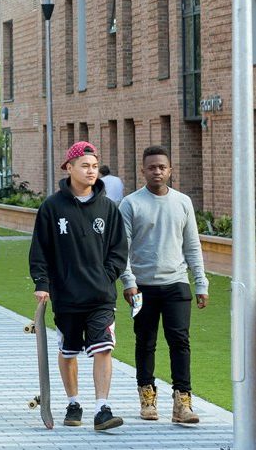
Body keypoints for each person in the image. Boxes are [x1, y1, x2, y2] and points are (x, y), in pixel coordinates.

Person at [29, 141, 128, 431]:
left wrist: (105, 276)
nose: (91, 171)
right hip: (66, 296)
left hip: (100, 296)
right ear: (69, 168)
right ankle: (73, 402)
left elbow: (119, 251)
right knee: (69, 351)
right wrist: (43, 283)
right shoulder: (51, 207)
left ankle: (102, 409)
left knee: (103, 348)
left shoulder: (109, 209)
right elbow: (40, 251)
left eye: (95, 166)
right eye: (85, 165)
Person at [119, 145, 208, 424]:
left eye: (162, 167)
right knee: (145, 342)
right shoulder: (131, 204)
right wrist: (129, 282)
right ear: (142, 170)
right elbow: (123, 248)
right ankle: (147, 399)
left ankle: (183, 402)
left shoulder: (182, 202)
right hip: (142, 286)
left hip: (176, 283)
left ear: (170, 170)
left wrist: (201, 283)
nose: (157, 171)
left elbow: (192, 245)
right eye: (151, 167)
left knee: (180, 342)